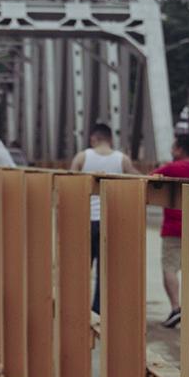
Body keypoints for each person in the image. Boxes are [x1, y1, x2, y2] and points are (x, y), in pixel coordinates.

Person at [71, 123, 134, 311]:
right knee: (104, 270)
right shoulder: (122, 159)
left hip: (85, 219)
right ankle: (97, 308)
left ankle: (77, 306)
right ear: (110, 139)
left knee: (81, 267)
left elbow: (68, 183)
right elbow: (139, 181)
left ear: (93, 138)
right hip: (110, 220)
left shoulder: (82, 157)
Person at [151, 133, 189, 327]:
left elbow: (149, 180)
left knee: (170, 268)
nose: (171, 151)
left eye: (174, 147)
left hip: (173, 228)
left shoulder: (171, 168)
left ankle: (176, 308)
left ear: (180, 149)